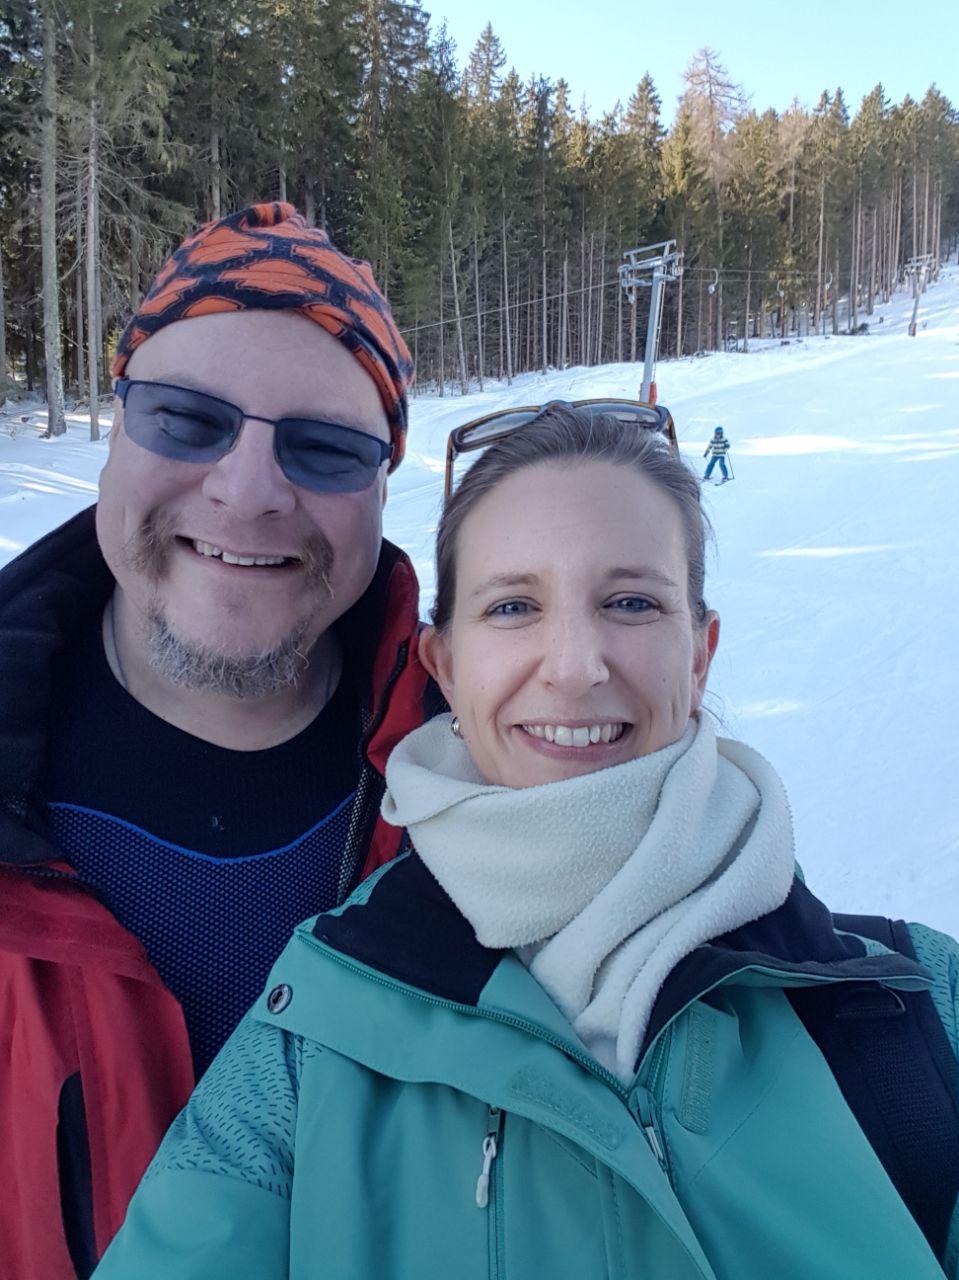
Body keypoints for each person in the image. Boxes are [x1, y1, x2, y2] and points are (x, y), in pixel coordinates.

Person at [94, 405, 959, 1280]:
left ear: (698, 656)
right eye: (512, 606)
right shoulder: (309, 1038)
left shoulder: (920, 1010)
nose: (574, 667)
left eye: (630, 603)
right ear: (444, 666)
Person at [0, 202, 438, 1279]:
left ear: (382, 486)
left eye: (324, 447)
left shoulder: (481, 787)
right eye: (186, 420)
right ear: (115, 429)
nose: (247, 492)